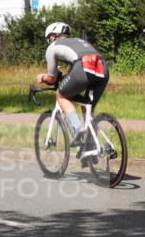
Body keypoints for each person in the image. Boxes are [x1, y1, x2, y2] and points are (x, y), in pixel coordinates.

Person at [35, 22, 109, 150]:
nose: (49, 41)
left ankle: (77, 127)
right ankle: (90, 147)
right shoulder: (78, 41)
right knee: (88, 106)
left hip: (83, 66)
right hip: (103, 67)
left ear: (52, 37)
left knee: (61, 95)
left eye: (49, 39)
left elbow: (51, 78)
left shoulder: (52, 47)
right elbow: (72, 71)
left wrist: (42, 77)